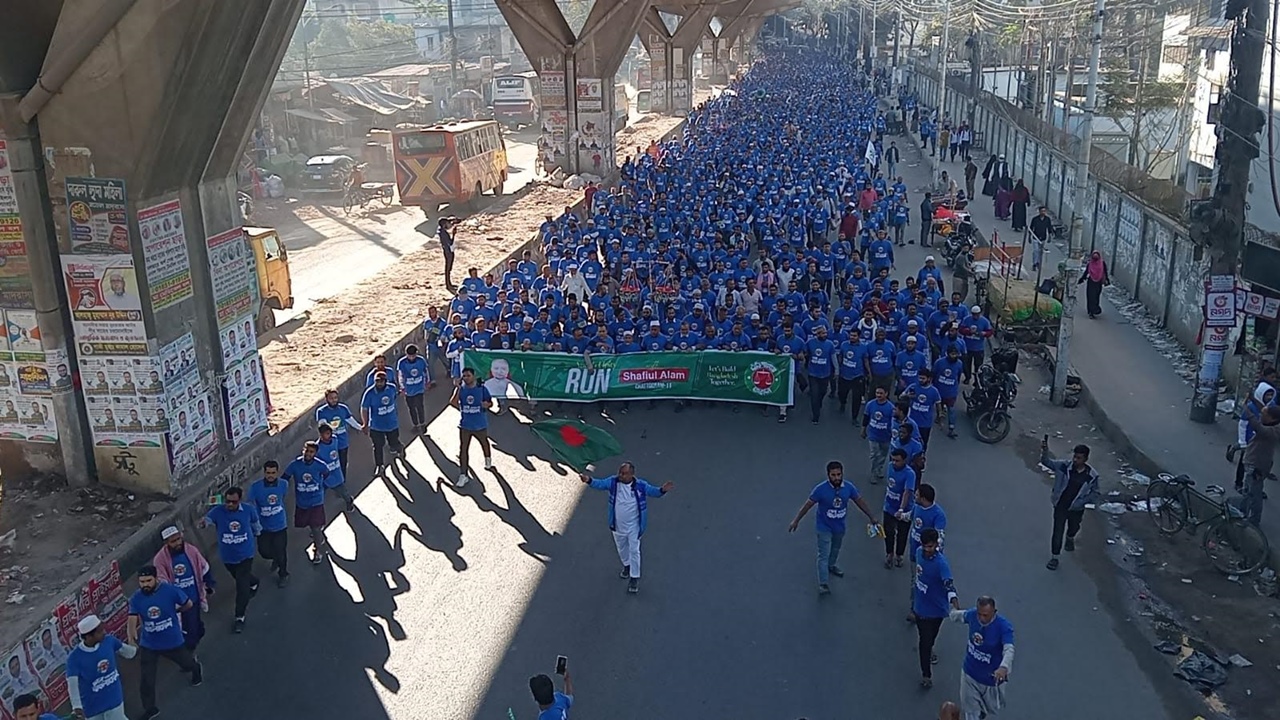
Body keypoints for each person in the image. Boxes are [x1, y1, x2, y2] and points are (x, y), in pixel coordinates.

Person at [788, 460, 881, 595]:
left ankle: (831, 566)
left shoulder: (848, 487)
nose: (836, 478)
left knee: (836, 548)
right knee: (823, 554)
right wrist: (796, 521)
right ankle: (823, 583)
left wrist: (871, 517)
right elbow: (807, 505)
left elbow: (859, 501)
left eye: (839, 474)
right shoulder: (820, 489)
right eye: (833, 475)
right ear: (828, 475)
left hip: (839, 526)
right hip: (824, 526)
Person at [579, 462, 674, 594]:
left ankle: (634, 578)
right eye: (620, 472)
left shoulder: (641, 486)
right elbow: (599, 484)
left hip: (634, 526)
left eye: (624, 473)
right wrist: (589, 480)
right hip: (618, 526)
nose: (621, 475)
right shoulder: (613, 482)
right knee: (621, 548)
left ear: (631, 475)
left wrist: (662, 490)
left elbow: (654, 492)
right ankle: (627, 565)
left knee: (634, 550)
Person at [128, 566, 203, 720]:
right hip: (149, 644)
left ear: (156, 579)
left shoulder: (170, 591)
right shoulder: (136, 598)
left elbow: (188, 604)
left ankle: (196, 668)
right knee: (147, 680)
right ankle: (150, 709)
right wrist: (131, 638)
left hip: (172, 641)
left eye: (148, 581)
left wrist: (176, 611)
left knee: (187, 664)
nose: (145, 585)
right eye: (142, 582)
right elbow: (132, 618)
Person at [199, 486, 261, 632]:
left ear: (240, 500)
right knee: (238, 576)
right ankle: (254, 582)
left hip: (245, 555)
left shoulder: (249, 510)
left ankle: (239, 616)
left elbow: (255, 524)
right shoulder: (218, 511)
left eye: (233, 502)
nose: (230, 505)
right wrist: (203, 523)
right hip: (227, 556)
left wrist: (258, 533)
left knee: (241, 586)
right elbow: (208, 520)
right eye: (227, 501)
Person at [949, 596, 1015, 720]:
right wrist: (951, 610)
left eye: (985, 615)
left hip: (990, 681)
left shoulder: (1004, 627)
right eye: (979, 614)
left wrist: (1003, 667)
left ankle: (980, 713)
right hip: (969, 675)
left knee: (985, 710)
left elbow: (1009, 649)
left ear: (994, 612)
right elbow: (959, 616)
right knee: (971, 712)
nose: (981, 618)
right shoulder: (972, 615)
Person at [1040, 438, 1100, 570]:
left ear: (1085, 459)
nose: (1075, 460)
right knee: (1057, 531)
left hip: (1076, 509)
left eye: (1079, 458)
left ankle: (1070, 537)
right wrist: (1044, 451)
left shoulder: (1091, 476)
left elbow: (1095, 493)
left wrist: (1082, 502)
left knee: (1074, 527)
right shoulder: (1064, 466)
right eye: (1074, 456)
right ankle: (1055, 557)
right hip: (1060, 505)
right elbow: (1047, 462)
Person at [151, 525, 214, 651]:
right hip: (180, 603)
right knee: (189, 633)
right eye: (173, 541)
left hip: (194, 597)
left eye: (178, 539)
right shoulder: (160, 560)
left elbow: (203, 567)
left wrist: (209, 584)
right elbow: (162, 582)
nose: (177, 543)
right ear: (166, 543)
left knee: (196, 627)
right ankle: (189, 654)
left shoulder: (191, 550)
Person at [64, 614, 137, 720]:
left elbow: (128, 653)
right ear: (88, 637)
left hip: (114, 701)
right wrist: (77, 707)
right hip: (92, 709)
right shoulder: (74, 658)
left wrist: (135, 646)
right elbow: (72, 685)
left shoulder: (109, 641)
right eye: (99, 632)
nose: (104, 632)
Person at [914, 527, 961, 688]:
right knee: (924, 641)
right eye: (924, 546)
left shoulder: (941, 563)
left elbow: (948, 583)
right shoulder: (918, 552)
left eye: (930, 546)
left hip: (937, 609)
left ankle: (930, 647)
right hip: (920, 607)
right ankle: (926, 674)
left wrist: (953, 600)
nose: (926, 550)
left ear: (936, 544)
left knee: (931, 636)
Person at [284, 441, 331, 564]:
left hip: (316, 502)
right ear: (303, 450)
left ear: (315, 453)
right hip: (302, 502)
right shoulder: (295, 465)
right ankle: (318, 535)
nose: (308, 454)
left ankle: (318, 550)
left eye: (311, 452)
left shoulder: (320, 465)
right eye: (306, 451)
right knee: (306, 524)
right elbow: (285, 478)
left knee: (315, 528)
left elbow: (326, 473)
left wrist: (320, 487)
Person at [247, 460, 291, 587]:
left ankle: (283, 574)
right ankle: (275, 558)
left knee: (281, 551)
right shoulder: (255, 487)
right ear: (264, 473)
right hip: (263, 527)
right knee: (264, 552)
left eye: (273, 473)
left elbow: (282, 498)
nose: (270, 475)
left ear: (277, 472)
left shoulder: (283, 484)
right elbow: (251, 504)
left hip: (280, 526)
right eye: (268, 473)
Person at [451, 367, 494, 487]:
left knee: (484, 442)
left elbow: (490, 403)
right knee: (463, 449)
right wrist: (457, 388)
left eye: (468, 376)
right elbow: (453, 403)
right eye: (464, 376)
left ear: (473, 376)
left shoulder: (482, 389)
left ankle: (488, 459)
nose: (466, 378)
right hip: (465, 425)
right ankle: (463, 475)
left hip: (480, 425)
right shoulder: (461, 390)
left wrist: (487, 405)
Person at [1240, 402, 1280, 526]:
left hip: (1257, 466)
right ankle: (1242, 512)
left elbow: (1258, 427)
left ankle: (1253, 520)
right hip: (1254, 463)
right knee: (1247, 490)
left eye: (1263, 415)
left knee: (1254, 494)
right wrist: (1252, 399)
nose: (1260, 416)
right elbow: (1263, 409)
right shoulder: (1272, 423)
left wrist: (1247, 410)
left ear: (1272, 419)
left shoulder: (1272, 431)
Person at [361, 370, 403, 475]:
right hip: (376, 426)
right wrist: (365, 423)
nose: (379, 383)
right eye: (377, 381)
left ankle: (399, 447)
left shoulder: (392, 388)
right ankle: (379, 465)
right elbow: (364, 408)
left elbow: (394, 399)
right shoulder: (369, 393)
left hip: (391, 423)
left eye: (381, 381)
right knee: (377, 446)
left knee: (393, 442)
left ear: (385, 381)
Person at [882, 448, 917, 568]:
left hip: (904, 510)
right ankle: (889, 554)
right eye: (893, 460)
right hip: (889, 507)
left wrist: (901, 509)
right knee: (888, 532)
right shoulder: (890, 467)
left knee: (902, 534)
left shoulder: (910, 474)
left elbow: (907, 492)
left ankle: (899, 555)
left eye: (897, 461)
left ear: (904, 461)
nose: (894, 463)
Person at [315, 388, 360, 476]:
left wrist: (360, 427)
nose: (334, 400)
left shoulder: (343, 408)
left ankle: (342, 480)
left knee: (343, 463)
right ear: (326, 399)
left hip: (342, 442)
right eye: (331, 398)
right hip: (329, 444)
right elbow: (322, 427)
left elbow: (350, 420)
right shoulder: (321, 411)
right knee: (329, 464)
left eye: (335, 398)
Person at [397, 344, 430, 432]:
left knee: (420, 406)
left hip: (419, 388)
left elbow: (426, 372)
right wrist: (402, 387)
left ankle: (422, 423)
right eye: (409, 356)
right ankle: (415, 424)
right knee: (411, 408)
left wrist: (427, 382)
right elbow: (400, 376)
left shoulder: (421, 360)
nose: (411, 358)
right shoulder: (402, 362)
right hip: (408, 390)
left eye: (413, 355)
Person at [1078, 251, 1110, 318]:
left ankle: (1095, 309)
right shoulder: (1090, 264)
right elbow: (1086, 272)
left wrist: (1107, 280)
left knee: (1096, 296)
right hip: (1091, 282)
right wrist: (1082, 279)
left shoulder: (1102, 263)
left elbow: (1105, 272)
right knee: (1090, 297)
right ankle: (1091, 312)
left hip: (1098, 283)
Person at [1028, 207, 1054, 272]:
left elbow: (1049, 228)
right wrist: (1029, 237)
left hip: (1043, 238)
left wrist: (1049, 237)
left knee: (1040, 251)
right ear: (1039, 212)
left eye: (1044, 211)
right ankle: (1034, 263)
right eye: (1042, 211)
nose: (1043, 212)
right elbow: (1031, 228)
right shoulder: (1035, 219)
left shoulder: (1047, 219)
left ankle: (1038, 263)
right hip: (1035, 237)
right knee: (1036, 250)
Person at [437, 215, 459, 289]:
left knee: (448, 268)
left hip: (446, 250)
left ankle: (449, 284)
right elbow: (450, 242)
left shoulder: (441, 231)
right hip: (448, 251)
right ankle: (448, 284)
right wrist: (453, 234)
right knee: (448, 268)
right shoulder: (444, 233)